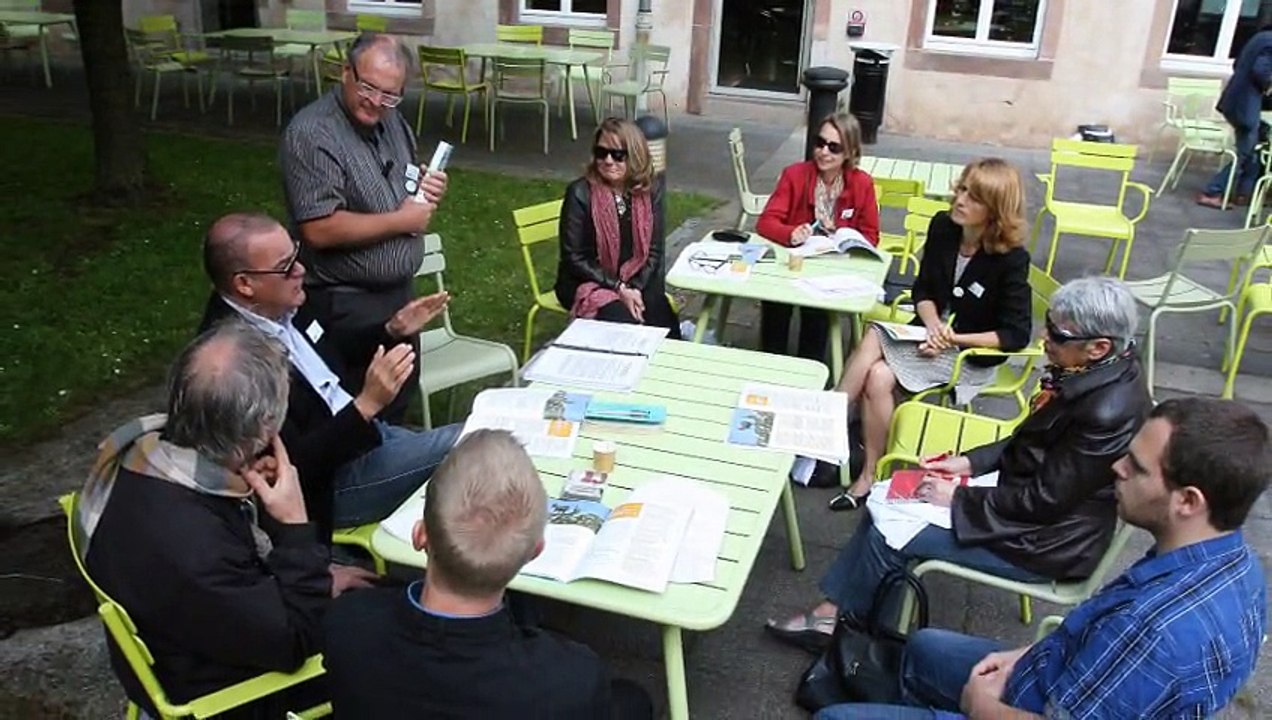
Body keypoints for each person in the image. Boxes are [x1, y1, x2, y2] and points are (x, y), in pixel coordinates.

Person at [814, 397, 1270, 720]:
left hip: (1030, 705)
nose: (1117, 468)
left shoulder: (1153, 631)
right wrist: (1022, 654)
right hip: (1052, 675)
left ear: (1188, 501)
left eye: (1137, 467)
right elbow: (1093, 642)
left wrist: (983, 706)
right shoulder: (1237, 567)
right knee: (923, 647)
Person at [765, 276, 1153, 650]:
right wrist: (969, 463)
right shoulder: (1095, 374)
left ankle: (844, 624)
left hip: (1048, 542)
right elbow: (1031, 442)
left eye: (1057, 334)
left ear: (1099, 347)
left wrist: (957, 498)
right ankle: (849, 614)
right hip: (1031, 510)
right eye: (1048, 325)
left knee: (890, 525)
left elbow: (1045, 500)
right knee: (889, 495)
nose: (1044, 338)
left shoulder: (1105, 409)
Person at [77, 322, 330, 717]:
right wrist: (296, 532)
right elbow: (295, 642)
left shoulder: (137, 451)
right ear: (264, 427)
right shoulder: (198, 548)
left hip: (186, 632)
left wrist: (314, 572)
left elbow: (229, 584)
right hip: (225, 693)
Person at [323, 429, 655, 719]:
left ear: (420, 535)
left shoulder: (347, 625)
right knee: (634, 701)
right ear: (534, 552)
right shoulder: (572, 678)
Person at [198, 212, 461, 540]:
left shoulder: (283, 304)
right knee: (471, 442)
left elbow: (333, 349)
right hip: (329, 487)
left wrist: (390, 331)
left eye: (296, 254)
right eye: (285, 266)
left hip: (365, 437)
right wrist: (365, 406)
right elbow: (293, 468)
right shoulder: (230, 363)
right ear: (244, 284)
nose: (300, 270)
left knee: (480, 449)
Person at [827, 159, 1032, 512]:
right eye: (963, 189)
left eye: (974, 197)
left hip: (970, 356)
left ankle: (829, 418)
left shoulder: (1011, 259)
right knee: (877, 375)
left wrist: (952, 339)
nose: (961, 200)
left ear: (995, 211)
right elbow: (922, 290)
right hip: (932, 332)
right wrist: (935, 324)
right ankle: (872, 473)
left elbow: (1014, 336)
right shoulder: (943, 227)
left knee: (875, 338)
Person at [280, 33, 445, 423]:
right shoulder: (313, 133)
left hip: (398, 299)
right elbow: (318, 227)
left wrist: (424, 189)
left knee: (396, 406)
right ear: (345, 73)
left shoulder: (393, 122)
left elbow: (402, 186)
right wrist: (402, 221)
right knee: (353, 416)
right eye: (367, 87)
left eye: (390, 95)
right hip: (344, 305)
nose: (376, 102)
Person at [756, 112, 879, 360]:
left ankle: (810, 369)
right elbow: (766, 222)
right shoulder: (795, 175)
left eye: (834, 147)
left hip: (833, 268)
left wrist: (849, 240)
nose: (824, 152)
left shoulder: (861, 183)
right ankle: (770, 365)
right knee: (776, 302)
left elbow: (871, 235)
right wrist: (790, 233)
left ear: (850, 152)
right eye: (819, 143)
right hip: (794, 264)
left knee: (818, 312)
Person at [555, 116, 681, 337]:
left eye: (618, 154)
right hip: (586, 280)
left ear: (634, 155)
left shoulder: (651, 191)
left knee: (664, 321)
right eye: (602, 153)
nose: (608, 160)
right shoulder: (580, 193)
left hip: (635, 278)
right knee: (625, 324)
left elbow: (653, 251)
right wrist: (619, 288)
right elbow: (574, 257)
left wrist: (634, 288)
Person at [1197, 26, 1272, 209]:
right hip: (1245, 106)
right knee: (1245, 153)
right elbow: (1261, 71)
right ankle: (1212, 191)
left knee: (1256, 146)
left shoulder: (1260, 37)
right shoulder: (1270, 43)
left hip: (1236, 101)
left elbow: (1238, 64)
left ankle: (1245, 193)